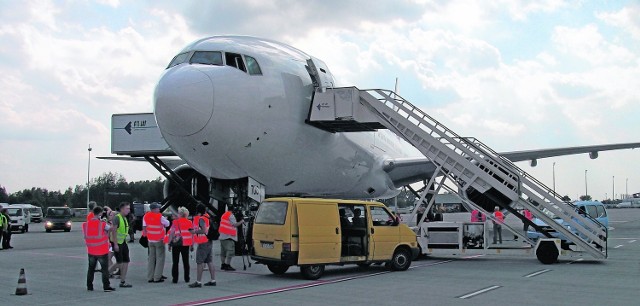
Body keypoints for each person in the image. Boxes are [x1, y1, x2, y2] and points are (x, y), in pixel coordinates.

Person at [84, 206, 116, 292]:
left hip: (91, 250)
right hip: (101, 250)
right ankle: (106, 286)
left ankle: (89, 286)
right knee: (104, 269)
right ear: (100, 214)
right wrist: (111, 221)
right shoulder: (102, 224)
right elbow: (111, 229)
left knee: (91, 269)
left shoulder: (86, 224)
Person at [189, 203, 217, 288]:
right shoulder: (208, 217)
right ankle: (213, 280)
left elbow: (204, 230)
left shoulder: (201, 219)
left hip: (203, 241)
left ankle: (198, 281)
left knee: (200, 262)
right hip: (209, 241)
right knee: (209, 261)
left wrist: (194, 232)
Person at [143, 203, 170, 283]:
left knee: (151, 259)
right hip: (159, 240)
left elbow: (144, 226)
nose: (159, 209)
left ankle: (150, 277)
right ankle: (157, 277)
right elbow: (167, 223)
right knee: (160, 259)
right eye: (158, 208)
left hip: (150, 240)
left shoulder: (146, 216)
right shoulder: (160, 216)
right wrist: (165, 219)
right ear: (154, 209)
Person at [111, 202, 133, 288]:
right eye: (127, 208)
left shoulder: (124, 218)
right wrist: (115, 244)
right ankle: (106, 273)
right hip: (118, 243)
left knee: (126, 261)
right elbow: (114, 231)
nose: (129, 210)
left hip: (123, 242)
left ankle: (123, 281)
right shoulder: (117, 218)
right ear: (122, 209)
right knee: (119, 263)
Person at [169, 206, 193, 283]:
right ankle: (187, 278)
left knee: (175, 262)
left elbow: (171, 233)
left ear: (180, 214)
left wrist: (170, 243)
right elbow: (192, 234)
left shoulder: (175, 222)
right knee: (186, 262)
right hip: (186, 244)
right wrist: (192, 244)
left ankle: (175, 278)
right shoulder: (189, 222)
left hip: (177, 243)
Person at [219, 206, 245, 271]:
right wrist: (241, 221)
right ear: (233, 210)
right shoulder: (231, 216)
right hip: (229, 236)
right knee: (230, 251)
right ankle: (228, 265)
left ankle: (223, 264)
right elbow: (235, 224)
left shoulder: (224, 215)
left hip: (222, 235)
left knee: (223, 252)